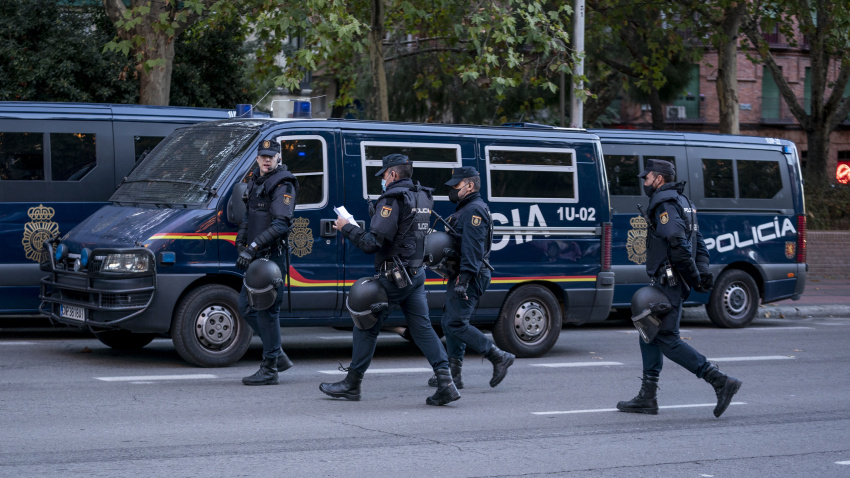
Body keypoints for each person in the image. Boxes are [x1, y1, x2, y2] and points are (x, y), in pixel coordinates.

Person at [320, 153, 460, 406]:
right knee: (422, 329)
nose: (383, 180)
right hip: (415, 274)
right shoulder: (421, 195)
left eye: (384, 175)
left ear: (393, 174)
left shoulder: (392, 199)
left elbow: (372, 243)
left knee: (365, 324)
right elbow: (405, 231)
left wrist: (346, 227)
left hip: (393, 277)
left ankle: (352, 384)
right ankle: (446, 383)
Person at [617, 159, 742, 417]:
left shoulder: (665, 204)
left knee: (668, 340)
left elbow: (677, 241)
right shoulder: (684, 202)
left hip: (669, 282)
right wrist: (702, 272)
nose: (645, 182)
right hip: (670, 280)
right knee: (647, 330)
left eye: (647, 178)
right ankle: (647, 397)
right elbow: (701, 242)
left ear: (659, 179)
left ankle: (719, 380)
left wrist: (695, 276)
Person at [426, 167, 514, 390]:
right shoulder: (465, 209)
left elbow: (473, 250)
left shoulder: (474, 211)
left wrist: (463, 280)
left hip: (470, 275)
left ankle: (498, 356)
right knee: (450, 322)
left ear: (470, 186)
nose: (452, 190)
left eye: (456, 186)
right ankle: (453, 373)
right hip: (463, 273)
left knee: (455, 323)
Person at [235, 139, 298, 386]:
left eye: (271, 156)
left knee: (268, 312)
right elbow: (249, 216)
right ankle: (277, 354)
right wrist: (241, 242)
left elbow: (281, 223)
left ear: (278, 158)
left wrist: (252, 247)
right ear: (258, 158)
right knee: (246, 307)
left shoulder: (283, 183)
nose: (267, 160)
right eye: (264, 156)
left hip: (271, 256)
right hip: (256, 257)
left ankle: (270, 367)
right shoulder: (255, 180)